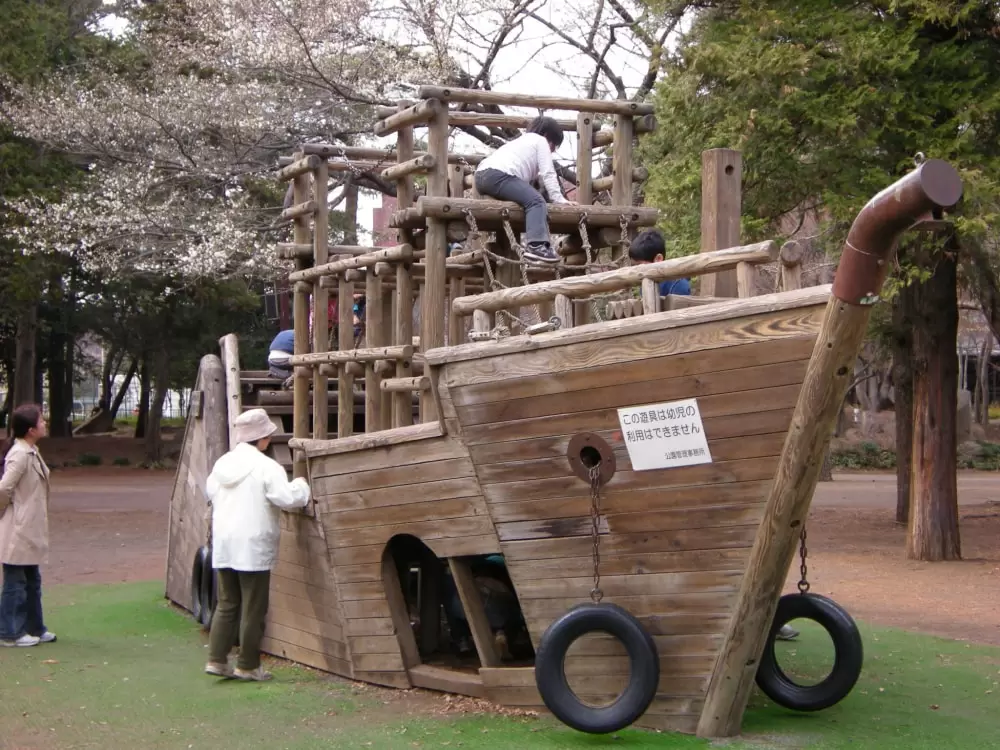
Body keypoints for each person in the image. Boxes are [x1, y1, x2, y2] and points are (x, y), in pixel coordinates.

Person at [203, 408, 311, 681]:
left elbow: (210, 492)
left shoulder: (221, 465)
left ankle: (217, 659)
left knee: (227, 602)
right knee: (253, 605)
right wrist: (302, 485)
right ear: (262, 439)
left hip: (225, 540)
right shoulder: (267, 467)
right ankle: (248, 664)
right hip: (253, 543)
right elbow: (285, 497)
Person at [474, 116, 573, 264]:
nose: (552, 151)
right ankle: (536, 245)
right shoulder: (540, 141)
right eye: (554, 145)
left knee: (532, 199)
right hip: (498, 175)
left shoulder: (521, 142)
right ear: (547, 136)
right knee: (536, 201)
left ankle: (538, 244)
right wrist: (558, 199)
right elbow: (548, 173)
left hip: (482, 176)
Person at [0, 404, 56, 648]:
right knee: (15, 582)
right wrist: (8, 510)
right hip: (18, 528)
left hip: (29, 528)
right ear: (31, 429)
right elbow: (4, 488)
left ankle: (34, 626)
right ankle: (9, 632)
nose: (45, 424)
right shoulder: (20, 454)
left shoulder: (31, 450)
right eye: (41, 421)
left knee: (32, 579)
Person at [627, 228, 692, 296]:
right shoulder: (645, 281)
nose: (636, 270)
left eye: (639, 265)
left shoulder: (678, 285)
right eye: (634, 266)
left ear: (658, 259)